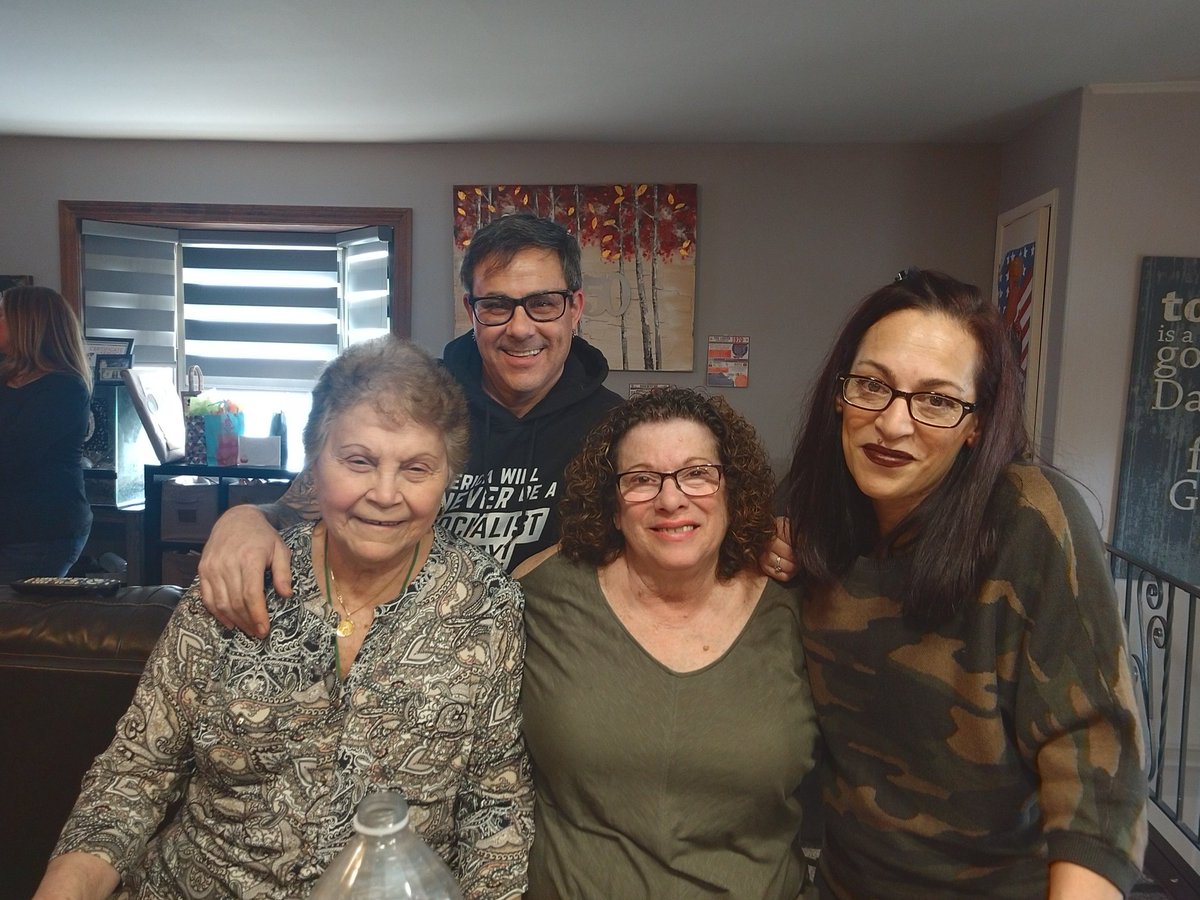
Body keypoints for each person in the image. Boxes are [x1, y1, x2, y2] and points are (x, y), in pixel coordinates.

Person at [34, 337, 533, 900]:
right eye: (359, 461)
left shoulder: (485, 606)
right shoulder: (240, 579)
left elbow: (495, 810)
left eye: (416, 468)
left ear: (448, 478)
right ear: (314, 465)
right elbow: (137, 772)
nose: (385, 493)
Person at [782, 268, 1146, 898]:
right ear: (840, 394)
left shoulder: (1029, 519)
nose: (893, 424)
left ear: (977, 424)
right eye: (872, 385)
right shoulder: (809, 505)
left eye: (938, 401)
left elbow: (1095, 763)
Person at [199, 213, 623, 635]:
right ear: (471, 311)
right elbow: (307, 504)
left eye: (543, 303)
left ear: (574, 308)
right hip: (401, 643)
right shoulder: (422, 401)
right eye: (496, 305)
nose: (520, 328)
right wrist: (247, 520)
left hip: (549, 646)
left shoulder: (614, 430)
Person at [517, 387, 820, 898]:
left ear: (732, 493)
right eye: (641, 479)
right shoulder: (544, 596)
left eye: (697, 473)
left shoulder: (798, 609)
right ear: (613, 507)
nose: (671, 498)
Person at [0, 286, 93, 582]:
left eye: (2, 315)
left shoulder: (64, 388)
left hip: (39, 533)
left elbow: (12, 453)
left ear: (27, 326)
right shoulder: (6, 377)